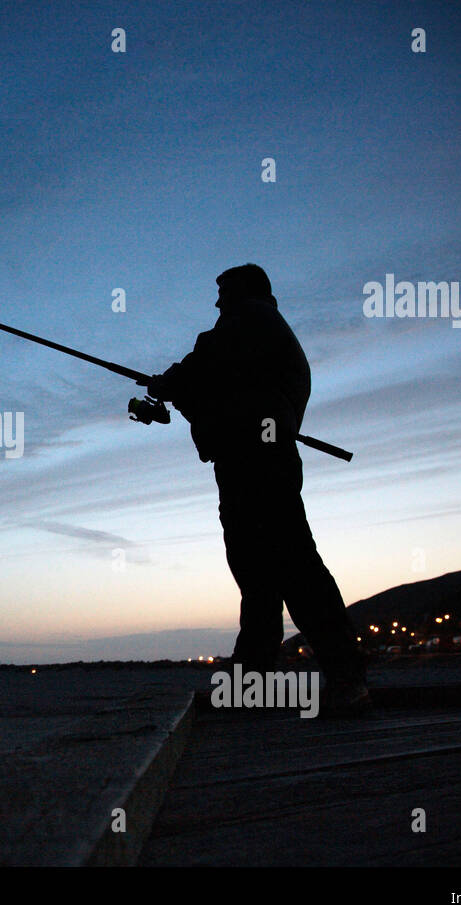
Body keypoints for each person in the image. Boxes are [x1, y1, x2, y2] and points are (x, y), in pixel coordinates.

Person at [148, 264, 370, 715]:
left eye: (222, 292)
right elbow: (222, 390)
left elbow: (207, 362)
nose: (216, 303)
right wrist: (178, 391)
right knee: (259, 578)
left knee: (293, 569)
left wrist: (169, 383)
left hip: (260, 464)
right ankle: (255, 683)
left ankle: (348, 678)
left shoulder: (249, 320)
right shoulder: (255, 336)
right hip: (249, 461)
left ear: (247, 291)